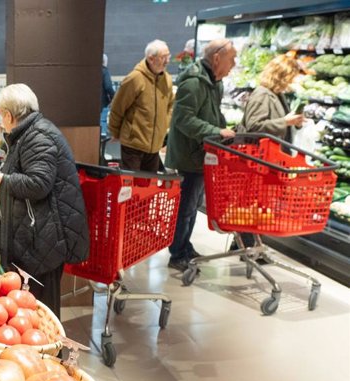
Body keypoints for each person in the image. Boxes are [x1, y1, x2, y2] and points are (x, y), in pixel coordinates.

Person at [0, 84, 89, 318]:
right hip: (39, 237)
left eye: (1, 115)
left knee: (40, 310)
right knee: (31, 307)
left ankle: (50, 352)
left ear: (8, 115)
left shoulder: (38, 137)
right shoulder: (30, 132)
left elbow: (38, 184)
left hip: (44, 241)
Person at [164, 38, 238, 272]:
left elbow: (211, 114)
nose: (233, 64)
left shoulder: (214, 82)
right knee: (185, 207)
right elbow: (184, 119)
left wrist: (225, 130)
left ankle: (184, 246)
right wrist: (216, 132)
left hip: (203, 154)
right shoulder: (194, 83)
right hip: (189, 155)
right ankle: (177, 253)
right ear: (217, 58)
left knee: (193, 205)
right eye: (231, 59)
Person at [236, 55, 304, 254]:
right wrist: (285, 122)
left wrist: (293, 122)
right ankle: (248, 245)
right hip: (257, 159)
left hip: (270, 159)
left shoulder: (276, 94)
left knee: (259, 203)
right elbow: (254, 126)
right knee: (252, 202)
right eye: (290, 77)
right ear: (281, 75)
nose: (291, 83)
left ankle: (250, 244)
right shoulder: (262, 95)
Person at [108, 40, 174, 171]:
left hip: (155, 147)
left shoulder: (167, 79)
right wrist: (115, 132)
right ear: (150, 58)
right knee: (133, 188)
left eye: (168, 56)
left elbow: (170, 105)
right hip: (133, 145)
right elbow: (117, 107)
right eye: (163, 57)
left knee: (149, 188)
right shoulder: (135, 79)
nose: (167, 61)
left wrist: (164, 125)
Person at [100, 54, 115, 137]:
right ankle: (102, 143)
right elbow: (108, 86)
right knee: (102, 121)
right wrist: (114, 97)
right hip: (102, 102)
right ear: (105, 62)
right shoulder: (104, 71)